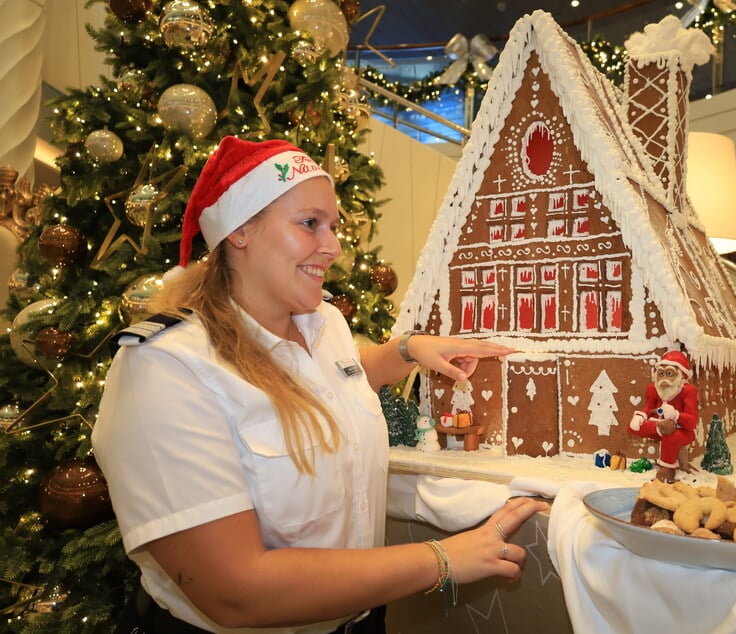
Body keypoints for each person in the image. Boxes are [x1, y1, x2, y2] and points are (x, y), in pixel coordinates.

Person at [91, 136, 547, 633]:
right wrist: (443, 559)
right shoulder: (167, 369)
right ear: (240, 229)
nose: (332, 247)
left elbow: (335, 382)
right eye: (310, 224)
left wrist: (405, 350)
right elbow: (236, 590)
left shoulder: (324, 322)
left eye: (333, 226)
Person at [627, 350, 699, 483]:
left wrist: (675, 415)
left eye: (669, 373)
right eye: (661, 373)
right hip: (659, 426)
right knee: (634, 427)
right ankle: (663, 427)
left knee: (673, 435)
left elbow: (691, 422)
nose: (664, 379)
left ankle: (667, 468)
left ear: (681, 375)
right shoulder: (653, 389)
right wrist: (641, 416)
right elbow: (648, 408)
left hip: (683, 430)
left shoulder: (688, 391)